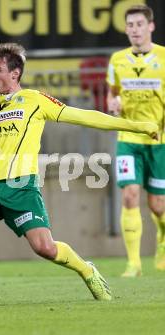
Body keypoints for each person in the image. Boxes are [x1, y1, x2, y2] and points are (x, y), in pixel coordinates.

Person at [0, 42, 159, 307]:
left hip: (22, 188)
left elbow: (84, 117)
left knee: (45, 248)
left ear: (15, 74)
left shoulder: (34, 100)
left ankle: (86, 270)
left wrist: (138, 127)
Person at [106, 4, 165, 277]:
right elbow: (111, 96)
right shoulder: (117, 59)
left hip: (159, 142)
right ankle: (134, 263)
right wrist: (113, 104)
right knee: (130, 195)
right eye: (130, 25)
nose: (135, 30)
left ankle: (162, 240)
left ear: (150, 27)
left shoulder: (164, 57)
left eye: (140, 24)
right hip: (128, 138)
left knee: (157, 205)